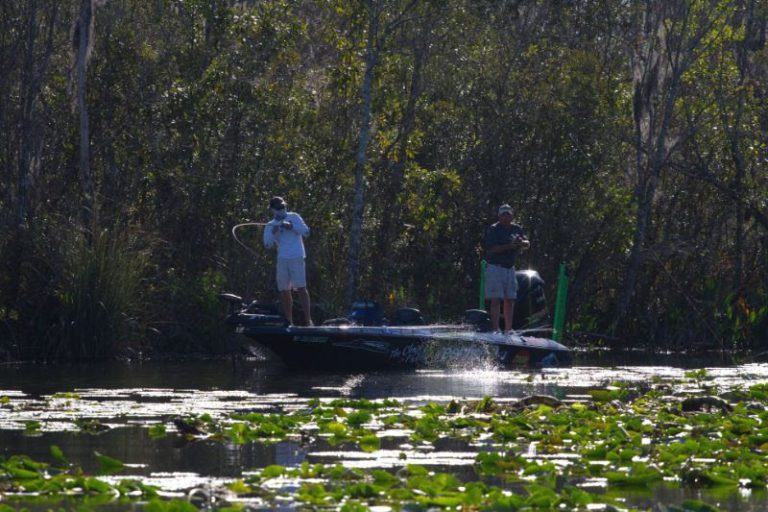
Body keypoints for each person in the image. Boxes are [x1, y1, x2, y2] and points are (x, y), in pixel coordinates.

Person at [263, 196, 312, 326]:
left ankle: (308, 320)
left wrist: (292, 226)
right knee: (284, 290)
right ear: (273, 210)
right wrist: (274, 232)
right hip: (282, 258)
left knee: (301, 288)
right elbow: (267, 245)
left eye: (283, 207)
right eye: (278, 208)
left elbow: (306, 232)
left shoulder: (294, 216)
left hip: (297, 256)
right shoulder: (270, 224)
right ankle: (289, 322)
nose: (282, 210)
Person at [484, 204, 530, 333]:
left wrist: (521, 243)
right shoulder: (494, 229)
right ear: (499, 216)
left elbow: (527, 243)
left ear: (512, 216)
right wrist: (510, 246)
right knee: (496, 299)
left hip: (510, 269)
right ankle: (495, 329)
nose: (506, 216)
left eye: (508, 214)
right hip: (495, 267)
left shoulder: (517, 228)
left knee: (510, 299)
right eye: (503, 214)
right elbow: (493, 249)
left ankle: (508, 329)